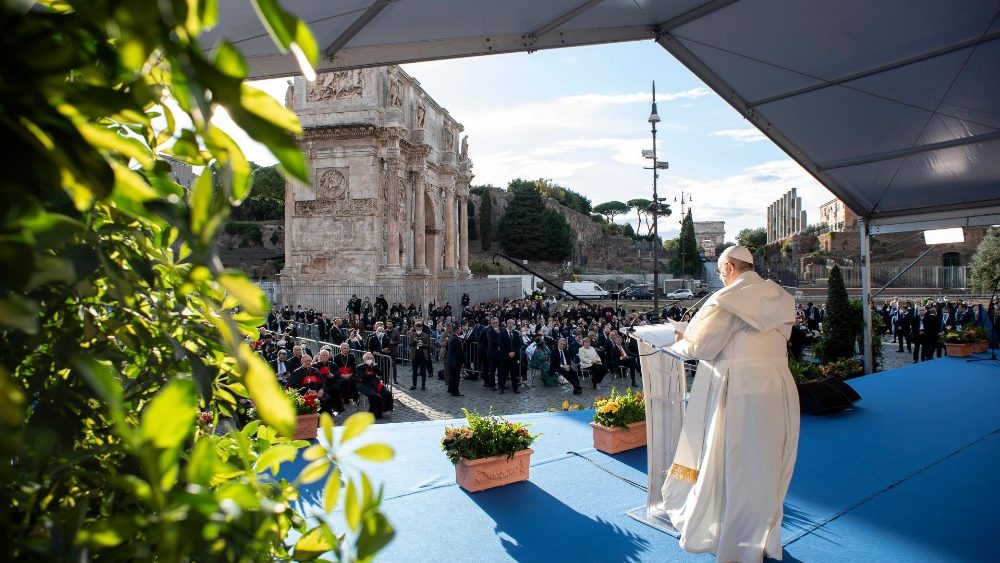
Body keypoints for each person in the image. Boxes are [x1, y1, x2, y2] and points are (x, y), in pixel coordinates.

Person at [663, 245, 798, 562]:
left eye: (722, 272)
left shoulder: (728, 299)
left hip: (741, 389)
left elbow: (703, 346)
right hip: (778, 386)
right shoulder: (779, 295)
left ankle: (735, 548)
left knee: (735, 465)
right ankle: (763, 537)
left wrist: (680, 341)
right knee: (766, 464)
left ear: (728, 268)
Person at [355, 352, 393, 419]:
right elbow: (363, 376)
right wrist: (373, 375)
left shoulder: (374, 366)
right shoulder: (359, 367)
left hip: (375, 384)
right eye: (368, 358)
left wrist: (375, 368)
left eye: (371, 358)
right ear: (364, 360)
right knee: (374, 396)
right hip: (364, 385)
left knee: (388, 393)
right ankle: (374, 413)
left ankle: (382, 409)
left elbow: (380, 373)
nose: (370, 359)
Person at [445, 325, 465, 396]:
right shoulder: (456, 339)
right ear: (456, 330)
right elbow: (460, 352)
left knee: (452, 376)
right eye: (460, 329)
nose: (461, 331)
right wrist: (463, 361)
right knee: (456, 377)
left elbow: (447, 347)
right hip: (456, 361)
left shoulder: (451, 337)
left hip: (451, 360)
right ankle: (455, 391)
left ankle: (450, 389)